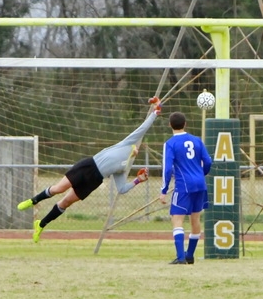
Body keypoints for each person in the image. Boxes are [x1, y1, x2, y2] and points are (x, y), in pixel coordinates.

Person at [19, 98, 161, 242]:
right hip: (88, 166)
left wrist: (138, 180)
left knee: (66, 202)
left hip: (94, 180)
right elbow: (143, 128)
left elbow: (122, 189)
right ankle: (33, 201)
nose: (138, 148)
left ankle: (41, 225)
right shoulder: (127, 143)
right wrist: (155, 112)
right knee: (59, 189)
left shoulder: (124, 168)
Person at [160, 111, 212, 265]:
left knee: (177, 219)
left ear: (170, 125)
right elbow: (208, 161)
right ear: (185, 124)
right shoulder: (196, 140)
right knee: (195, 219)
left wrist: (163, 190)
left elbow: (167, 169)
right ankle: (189, 255)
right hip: (200, 184)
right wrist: (201, 174)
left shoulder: (170, 143)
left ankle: (181, 257)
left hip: (184, 186)